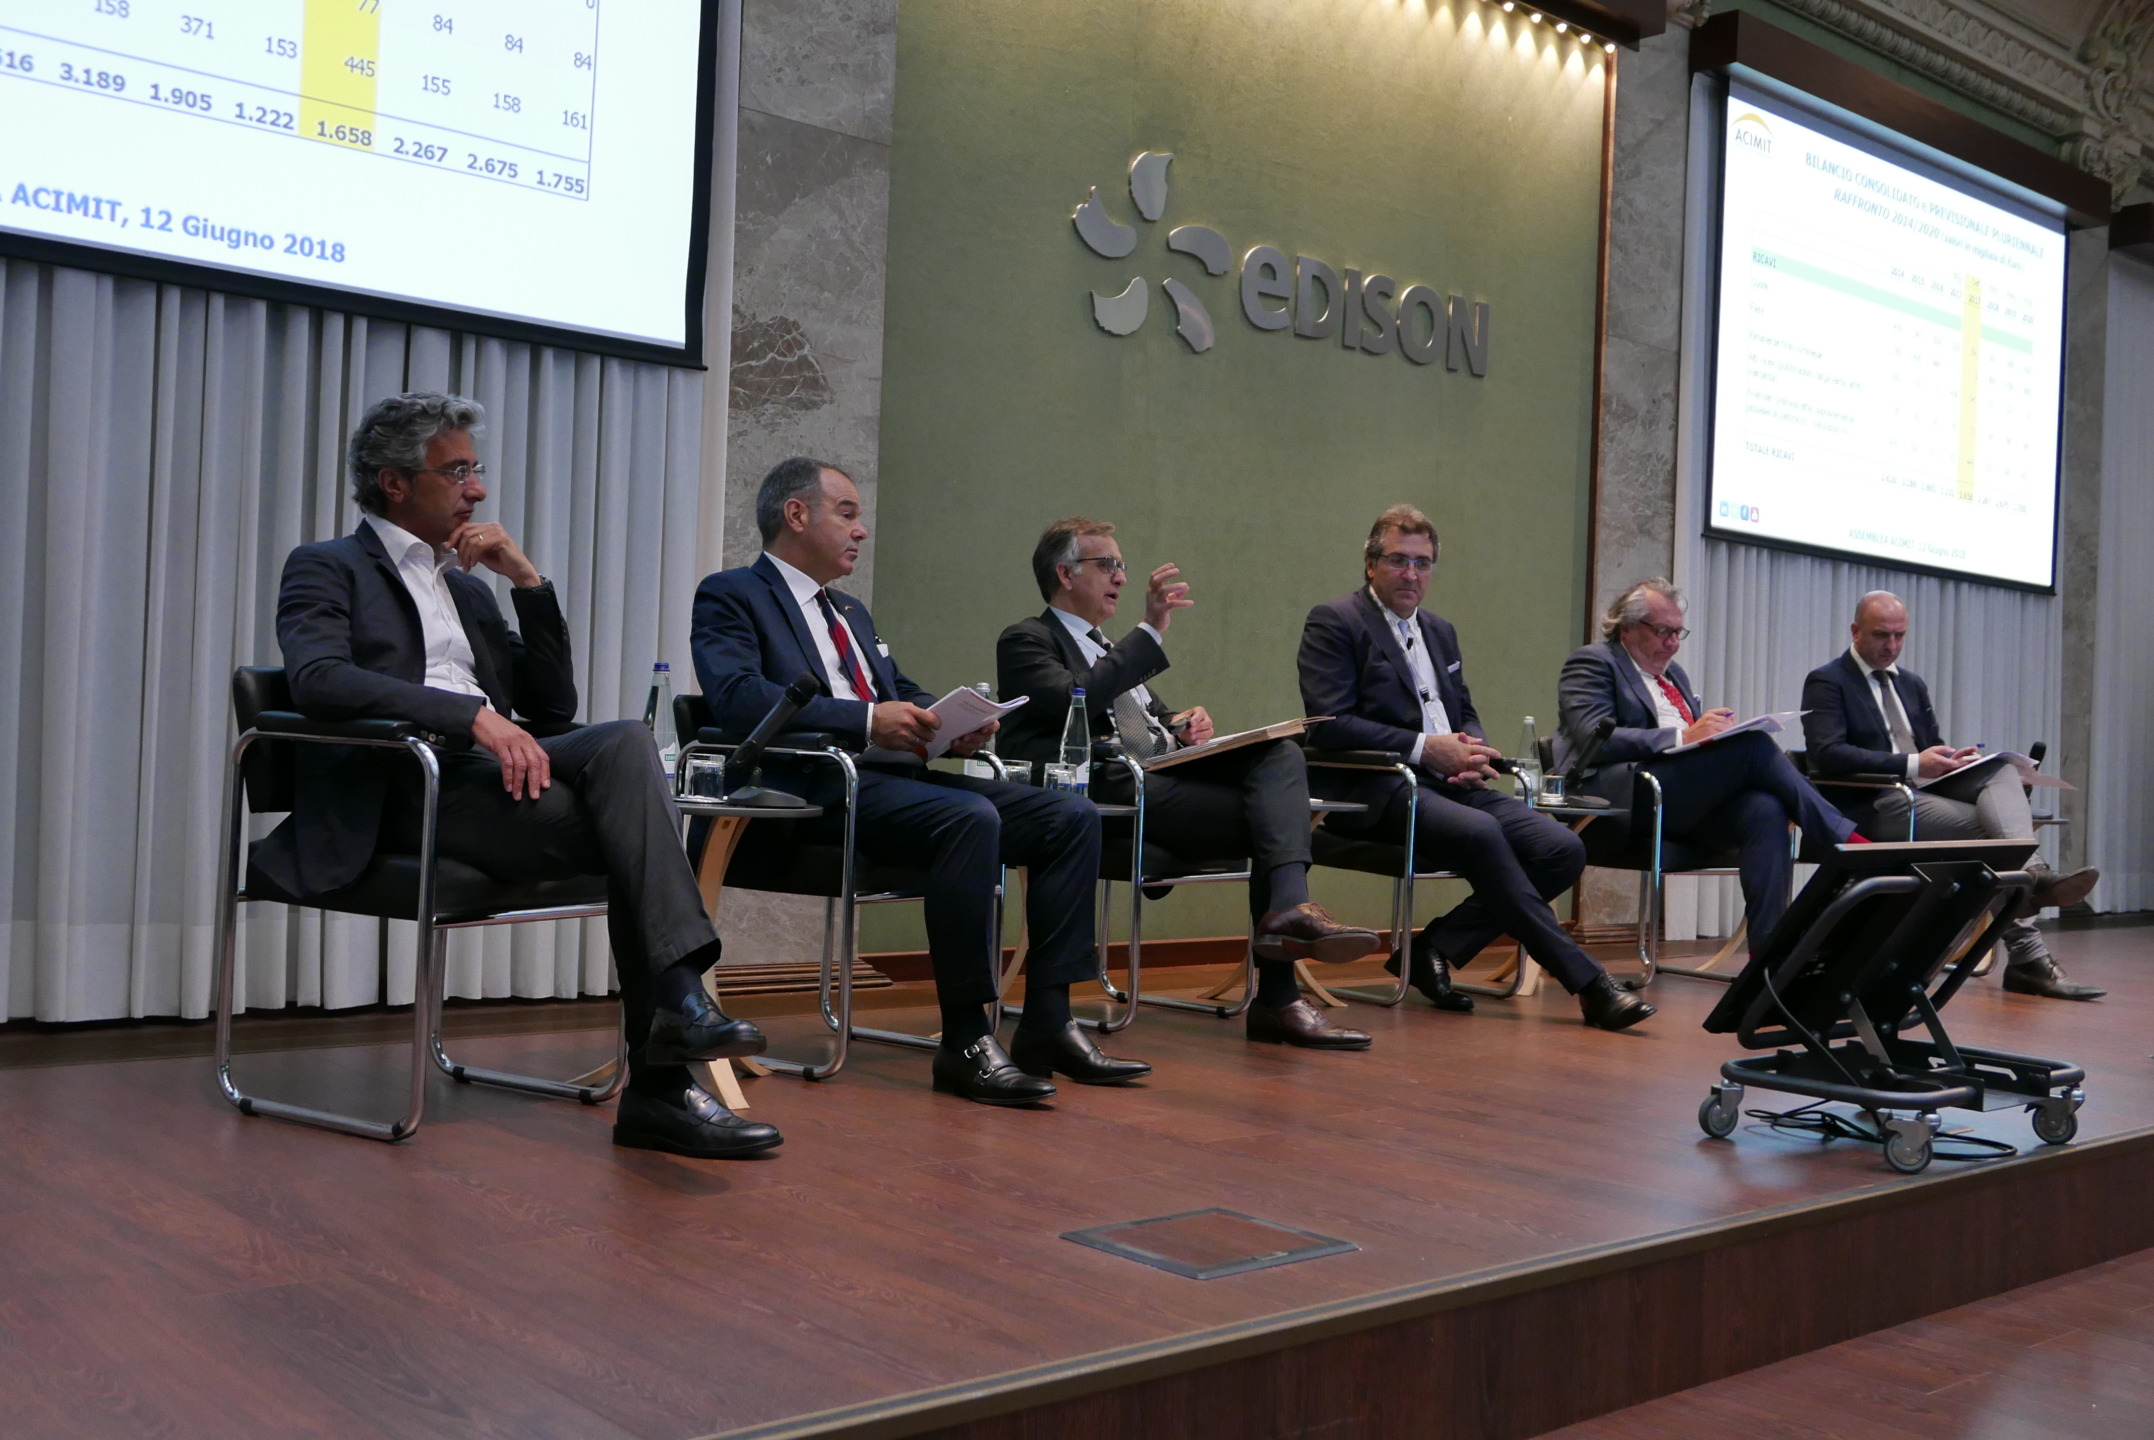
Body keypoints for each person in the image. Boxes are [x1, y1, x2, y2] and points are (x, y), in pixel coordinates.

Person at [262, 392, 778, 1160]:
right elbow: (318, 679)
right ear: (393, 482)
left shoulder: (468, 586)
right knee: (635, 840)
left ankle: (675, 1021)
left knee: (626, 742)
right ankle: (664, 1078)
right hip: (405, 784)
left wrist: (529, 583)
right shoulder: (328, 566)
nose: (477, 489)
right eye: (456, 471)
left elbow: (551, 708)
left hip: (489, 778)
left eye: (476, 469)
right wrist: (469, 715)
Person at [691, 459, 1146, 1102]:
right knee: (969, 819)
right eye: (847, 514)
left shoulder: (849, 610)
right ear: (796, 515)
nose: (861, 530)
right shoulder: (732, 593)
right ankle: (966, 1041)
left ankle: (1048, 1021)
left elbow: (898, 689)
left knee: (1067, 817)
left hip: (894, 781)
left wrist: (949, 722)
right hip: (812, 789)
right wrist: (864, 720)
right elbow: (738, 698)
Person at [997, 518, 1382, 1051]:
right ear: (1065, 574)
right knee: (1277, 822)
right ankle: (1278, 996)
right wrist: (1150, 630)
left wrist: (1180, 724)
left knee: (1280, 753)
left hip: (1157, 782)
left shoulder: (1108, 649)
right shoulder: (1027, 639)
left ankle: (1287, 912)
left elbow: (1145, 718)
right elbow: (1076, 699)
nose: (1121, 578)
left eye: (1121, 565)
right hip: (1105, 797)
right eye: (1107, 564)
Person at [1298, 505, 1654, 1031]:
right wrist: (1427, 749)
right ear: (1371, 564)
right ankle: (1590, 984)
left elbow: (1462, 710)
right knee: (1483, 831)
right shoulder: (1336, 621)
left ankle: (1434, 948)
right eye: (1398, 560)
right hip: (1378, 787)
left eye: (1422, 563)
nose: (1411, 574)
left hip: (1452, 783)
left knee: (1561, 848)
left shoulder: (1440, 631)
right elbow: (1329, 725)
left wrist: (1473, 748)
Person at [1801, 590, 2102, 1000]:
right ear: (1855, 631)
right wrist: (1913, 764)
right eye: (1881, 635)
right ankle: (2029, 937)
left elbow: (1930, 746)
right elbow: (1827, 754)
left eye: (1900, 635)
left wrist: (1953, 760)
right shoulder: (1828, 681)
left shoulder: (1911, 684)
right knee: (1991, 838)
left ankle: (2030, 886)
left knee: (2001, 769)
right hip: (1876, 802)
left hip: (1924, 792)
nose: (1891, 645)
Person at [1555, 579, 1859, 951]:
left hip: (1679, 801)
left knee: (1765, 808)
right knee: (1754, 747)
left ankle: (1769, 957)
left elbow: (1691, 745)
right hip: (1625, 802)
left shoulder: (1674, 675)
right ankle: (1845, 841)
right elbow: (1593, 737)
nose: (1673, 643)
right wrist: (1685, 736)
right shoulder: (1594, 661)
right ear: (1627, 628)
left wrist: (1713, 738)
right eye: (1663, 631)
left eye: (1678, 632)